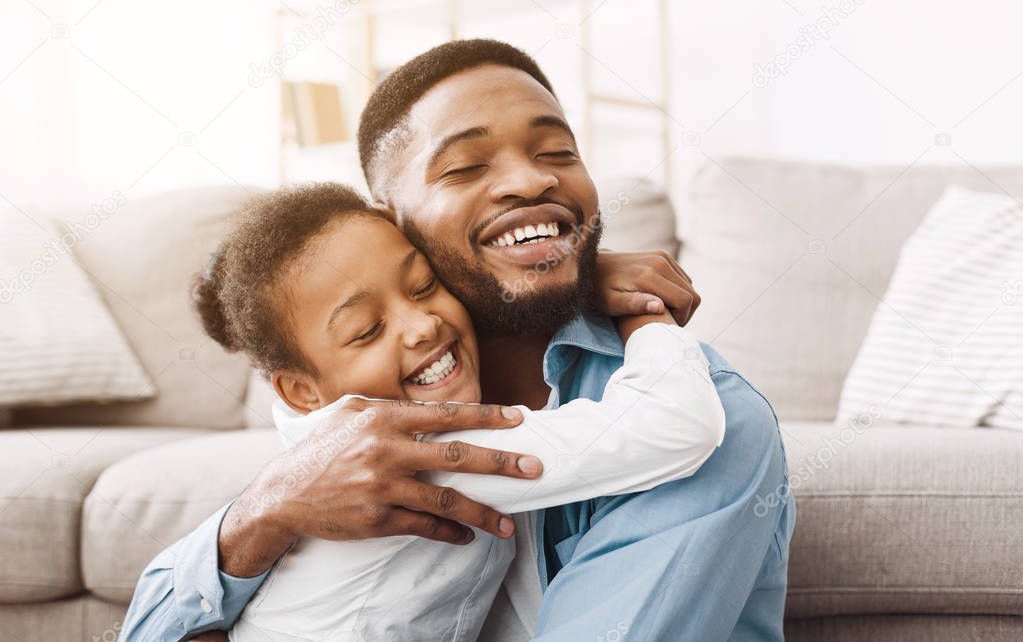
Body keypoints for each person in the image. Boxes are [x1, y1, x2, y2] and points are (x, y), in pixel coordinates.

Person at [123, 39, 794, 641]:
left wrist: (638, 309)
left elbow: (676, 427)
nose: (534, 181)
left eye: (557, 153)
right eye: (465, 166)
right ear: (391, 223)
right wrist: (261, 514)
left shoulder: (710, 417)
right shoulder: (350, 440)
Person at [187, 182, 725, 640]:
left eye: (424, 286)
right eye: (368, 330)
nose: (422, 326)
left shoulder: (328, 435)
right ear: (302, 392)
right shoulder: (403, 452)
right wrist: (644, 314)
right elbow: (678, 424)